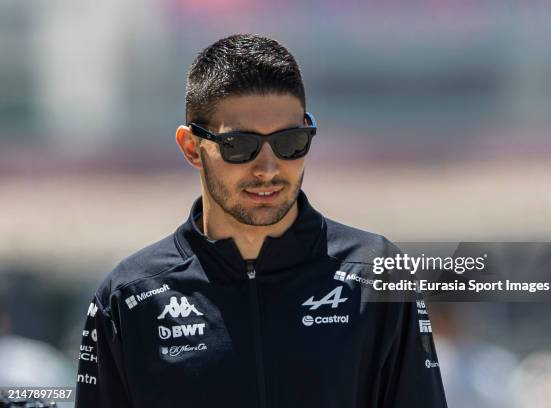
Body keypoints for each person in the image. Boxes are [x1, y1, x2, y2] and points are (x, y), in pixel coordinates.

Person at [74, 33, 447, 408]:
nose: (268, 169)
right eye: (240, 146)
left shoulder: (376, 274)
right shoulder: (130, 297)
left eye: (290, 143)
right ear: (191, 148)